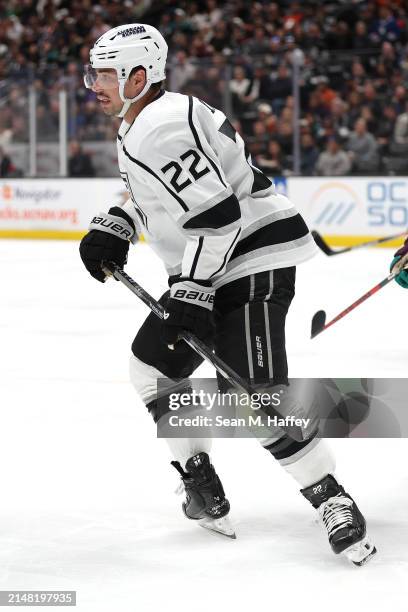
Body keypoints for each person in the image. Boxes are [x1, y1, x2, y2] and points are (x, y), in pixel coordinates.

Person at [79, 23, 376, 564]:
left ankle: (331, 497)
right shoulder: (142, 119)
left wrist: (190, 292)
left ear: (137, 76)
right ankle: (201, 480)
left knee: (250, 393)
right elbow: (159, 196)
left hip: (251, 257)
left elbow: (218, 217)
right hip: (219, 260)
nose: (91, 84)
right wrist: (118, 222)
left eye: (101, 74)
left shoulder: (159, 127)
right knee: (152, 370)